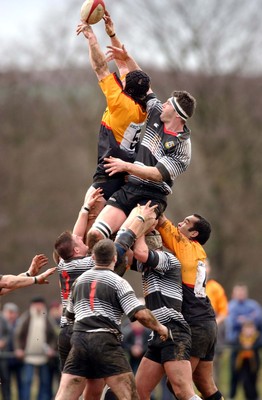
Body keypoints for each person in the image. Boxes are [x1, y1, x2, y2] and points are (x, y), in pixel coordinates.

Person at [86, 44, 196, 250]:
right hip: (129, 189)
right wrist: (127, 58)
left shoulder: (183, 147)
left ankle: (110, 272)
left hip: (152, 197)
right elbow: (145, 86)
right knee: (94, 235)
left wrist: (125, 166)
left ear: (178, 116)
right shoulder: (157, 114)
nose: (162, 104)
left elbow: (156, 174)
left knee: (123, 240)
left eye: (169, 104)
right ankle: (96, 272)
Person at [55, 238, 169, 400]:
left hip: (79, 340)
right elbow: (139, 313)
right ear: (115, 258)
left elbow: (70, 315)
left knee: (65, 395)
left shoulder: (79, 282)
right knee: (130, 395)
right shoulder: (117, 282)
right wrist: (160, 328)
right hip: (105, 342)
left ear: (93, 257)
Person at [76, 12, 151, 235]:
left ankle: (83, 261)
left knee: (90, 218)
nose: (124, 73)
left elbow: (101, 67)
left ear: (127, 87)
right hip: (126, 169)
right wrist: (112, 34)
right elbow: (124, 65)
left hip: (109, 171)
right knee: (108, 225)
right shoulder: (144, 104)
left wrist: (92, 39)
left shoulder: (120, 103)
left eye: (126, 77)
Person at [157, 213, 224, 400]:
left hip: (196, 324)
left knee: (177, 384)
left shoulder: (185, 245)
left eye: (186, 222)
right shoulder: (198, 251)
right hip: (208, 323)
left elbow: (161, 221)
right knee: (205, 384)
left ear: (193, 233)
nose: (180, 223)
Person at [129, 230, 202, 400]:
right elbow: (122, 256)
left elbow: (139, 253)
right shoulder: (145, 265)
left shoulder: (167, 259)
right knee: (139, 392)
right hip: (158, 334)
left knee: (183, 392)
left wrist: (141, 222)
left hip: (174, 332)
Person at [14, 297, 58, 400]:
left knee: (44, 382)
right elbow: (17, 334)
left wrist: (51, 348)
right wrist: (19, 349)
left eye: (40, 304)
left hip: (44, 356)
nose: (38, 307)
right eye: (36, 304)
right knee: (27, 381)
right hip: (28, 356)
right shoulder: (26, 317)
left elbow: (54, 335)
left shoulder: (47, 317)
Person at [225, 283, 262, 399]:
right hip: (237, 347)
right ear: (234, 294)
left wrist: (244, 320)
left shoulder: (253, 305)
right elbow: (231, 323)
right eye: (238, 292)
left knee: (251, 377)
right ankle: (231, 396)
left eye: (242, 292)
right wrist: (248, 319)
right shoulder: (230, 306)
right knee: (234, 376)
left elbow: (258, 320)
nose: (240, 294)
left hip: (253, 347)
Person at [205, 259, 228, 385]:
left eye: (206, 265)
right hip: (195, 329)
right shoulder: (189, 285)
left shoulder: (215, 288)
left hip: (213, 329)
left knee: (213, 365)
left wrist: (214, 324)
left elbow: (223, 312)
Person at [2, 302, 23, 400]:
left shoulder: (20, 324)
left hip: (18, 359)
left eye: (12, 312)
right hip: (4, 359)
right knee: (6, 383)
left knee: (21, 383)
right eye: (8, 312)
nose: (10, 315)